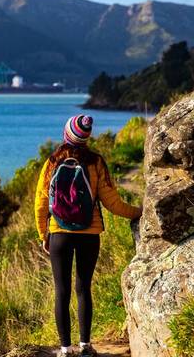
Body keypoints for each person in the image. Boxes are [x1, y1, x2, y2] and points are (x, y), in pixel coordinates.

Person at [34, 115, 142, 357]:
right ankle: (85, 346)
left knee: (61, 291)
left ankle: (64, 349)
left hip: (59, 233)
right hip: (89, 233)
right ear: (86, 137)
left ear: (66, 134)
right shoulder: (96, 163)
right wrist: (139, 212)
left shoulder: (52, 162)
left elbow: (41, 203)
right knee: (83, 288)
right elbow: (113, 203)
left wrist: (44, 234)